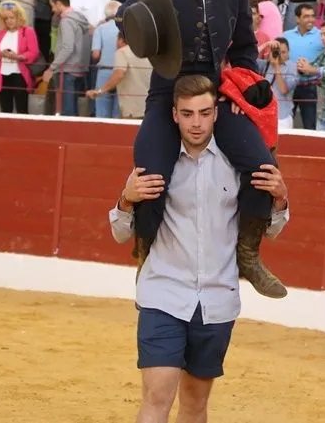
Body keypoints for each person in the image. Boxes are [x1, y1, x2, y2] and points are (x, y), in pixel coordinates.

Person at [117, 0, 285, 299]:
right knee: (150, 172)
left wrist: (242, 87)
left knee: (263, 165)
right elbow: (127, 19)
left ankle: (248, 254)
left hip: (216, 94)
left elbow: (243, 49)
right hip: (167, 94)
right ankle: (145, 254)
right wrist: (140, 26)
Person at [107, 74, 291, 423]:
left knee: (194, 405)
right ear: (174, 114)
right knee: (157, 396)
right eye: (188, 113)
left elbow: (271, 231)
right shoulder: (158, 162)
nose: (196, 123)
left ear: (216, 113)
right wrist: (126, 200)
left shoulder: (237, 164)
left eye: (205, 113)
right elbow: (120, 234)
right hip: (163, 294)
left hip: (216, 300)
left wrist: (281, 199)